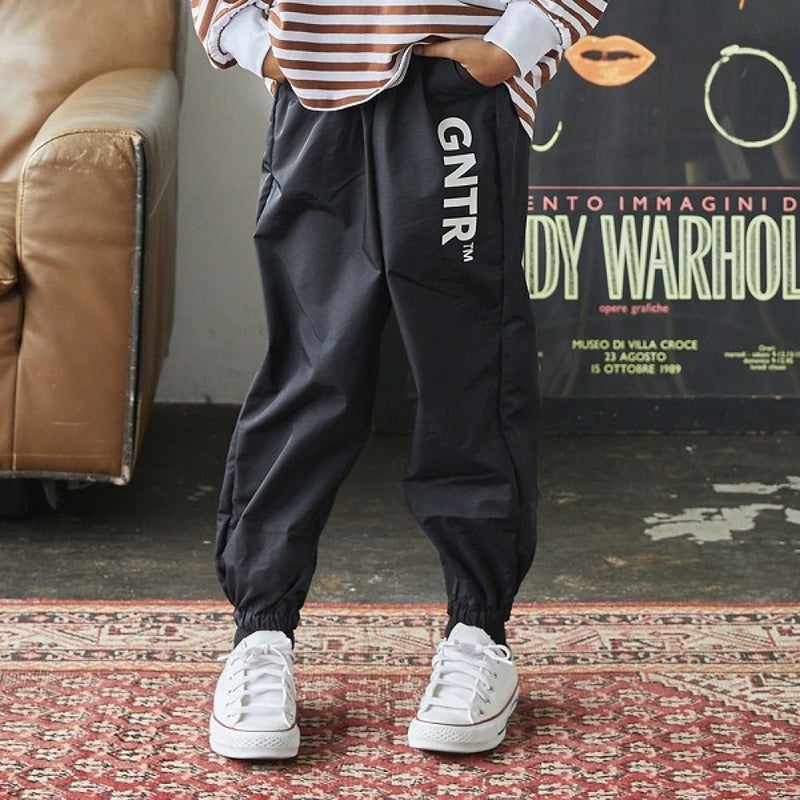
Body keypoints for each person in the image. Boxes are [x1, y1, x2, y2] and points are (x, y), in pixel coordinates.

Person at [190, 0, 608, 760]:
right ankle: (260, 633)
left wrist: (518, 40)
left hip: (456, 83)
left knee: (468, 367)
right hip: (317, 91)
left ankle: (478, 632)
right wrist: (246, 37)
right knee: (310, 369)